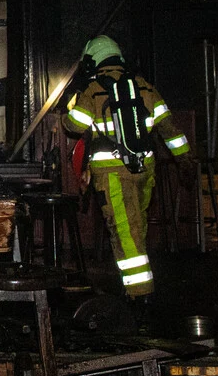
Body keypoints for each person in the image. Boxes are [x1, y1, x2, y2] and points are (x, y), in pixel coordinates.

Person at [61, 35, 189, 298]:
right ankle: (136, 289)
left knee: (125, 234)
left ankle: (140, 297)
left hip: (112, 176)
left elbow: (73, 126)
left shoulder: (94, 91)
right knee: (136, 227)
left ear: (92, 62)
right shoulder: (144, 87)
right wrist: (184, 159)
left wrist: (69, 106)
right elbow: (169, 128)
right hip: (145, 170)